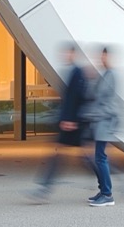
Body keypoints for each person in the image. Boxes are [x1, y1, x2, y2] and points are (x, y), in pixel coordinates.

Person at [28, 43, 88, 202]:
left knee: (88, 159)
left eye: (67, 53)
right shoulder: (72, 72)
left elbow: (76, 99)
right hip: (69, 123)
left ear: (73, 54)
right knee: (60, 156)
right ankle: (44, 188)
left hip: (73, 124)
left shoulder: (78, 73)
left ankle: (109, 183)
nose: (64, 56)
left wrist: (71, 120)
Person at [83, 46, 119, 207]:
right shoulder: (105, 75)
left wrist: (96, 115)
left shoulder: (112, 76)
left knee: (101, 158)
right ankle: (103, 190)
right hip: (100, 124)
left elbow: (110, 105)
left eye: (104, 57)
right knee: (99, 158)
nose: (101, 59)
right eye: (101, 56)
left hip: (105, 124)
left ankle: (107, 194)